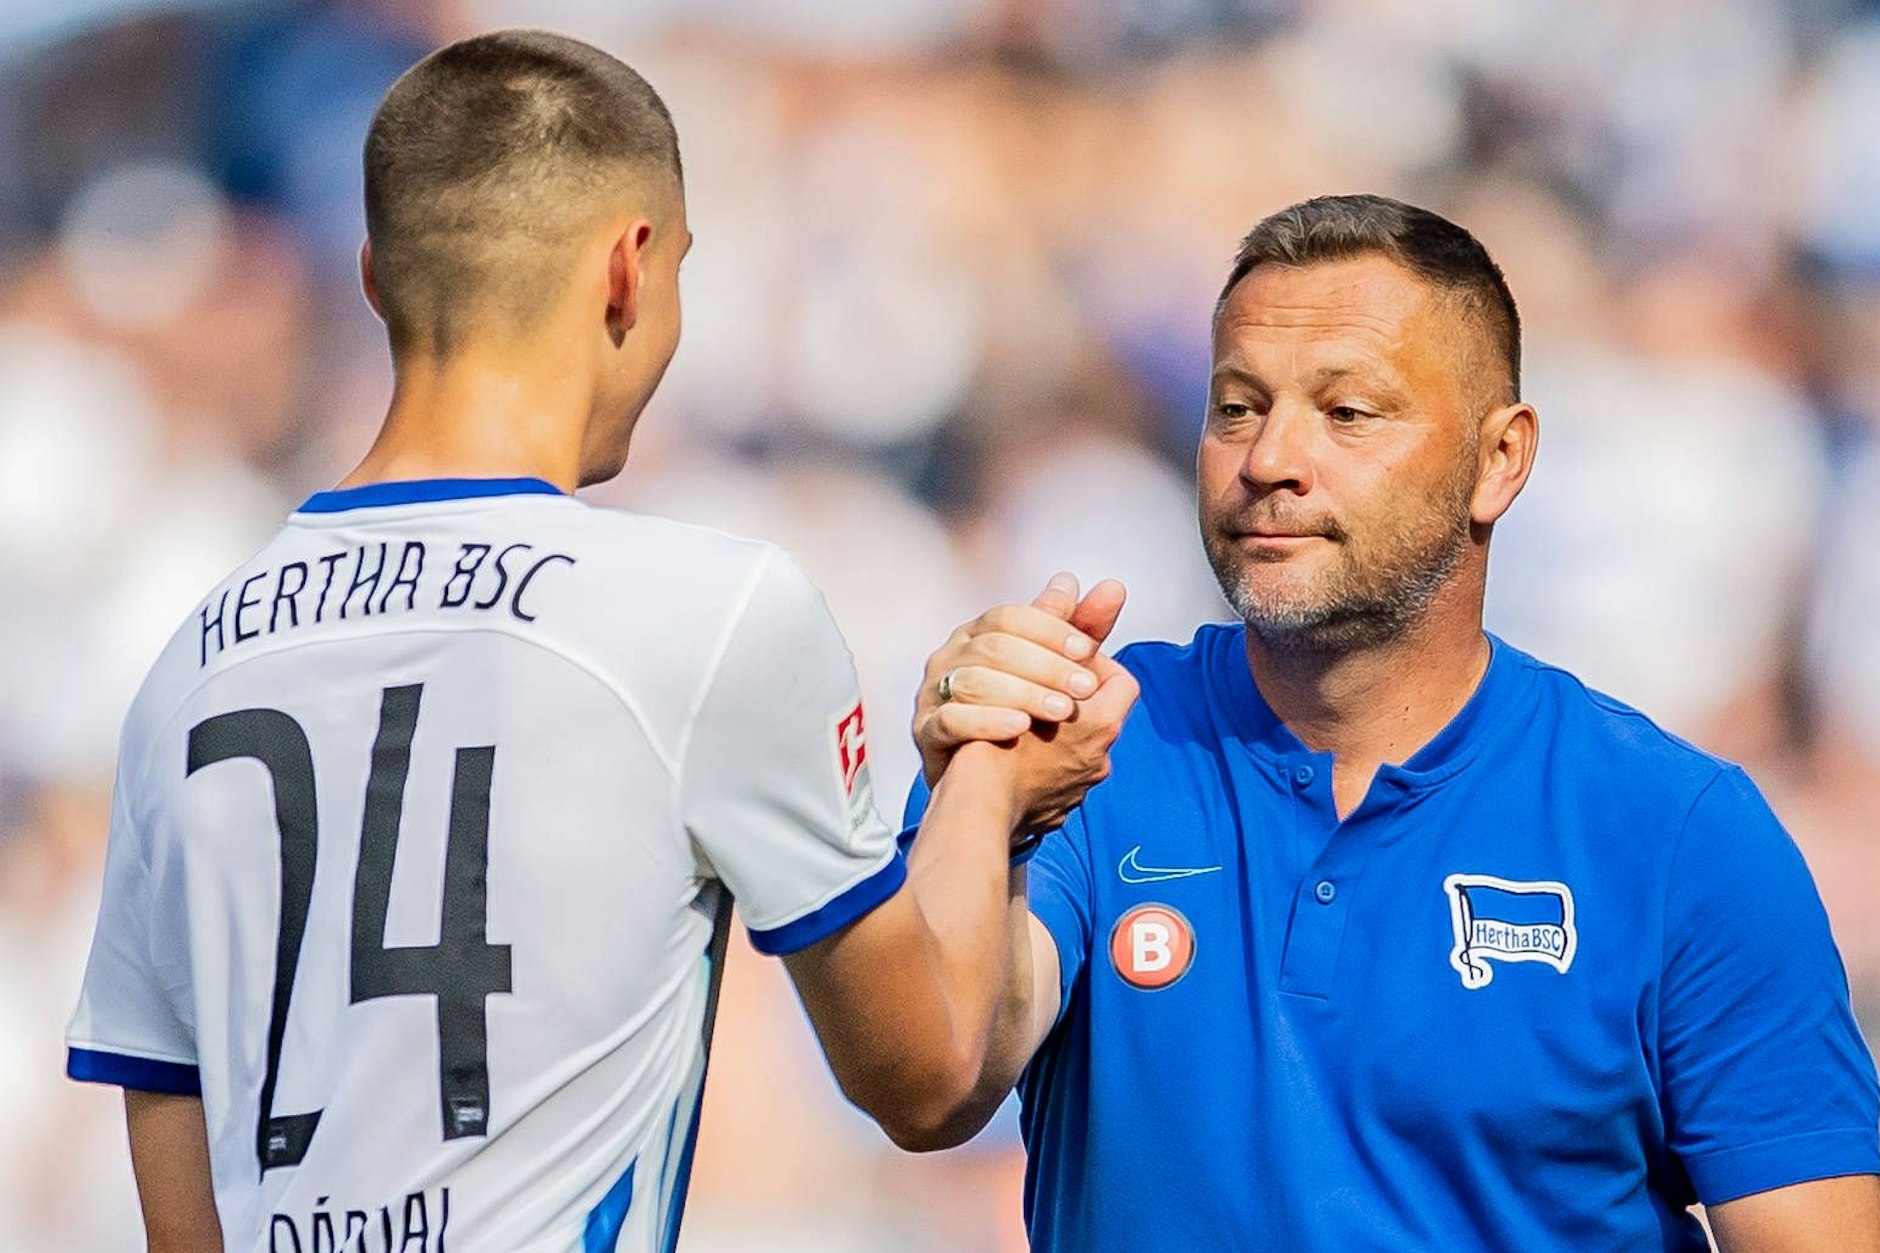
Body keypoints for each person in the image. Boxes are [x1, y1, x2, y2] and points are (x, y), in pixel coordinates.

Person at [61, 30, 1135, 1253]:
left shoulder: (188, 664)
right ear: (628, 270)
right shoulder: (711, 608)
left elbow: (181, 1206)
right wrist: (991, 785)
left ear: (374, 278)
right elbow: (924, 1075)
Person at [903, 194, 1880, 1251]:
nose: (1270, 458)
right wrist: (977, 789)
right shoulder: (1088, 744)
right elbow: (926, 1084)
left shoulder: (1676, 829)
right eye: (1235, 406)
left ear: (1499, 459)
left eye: (1348, 412)